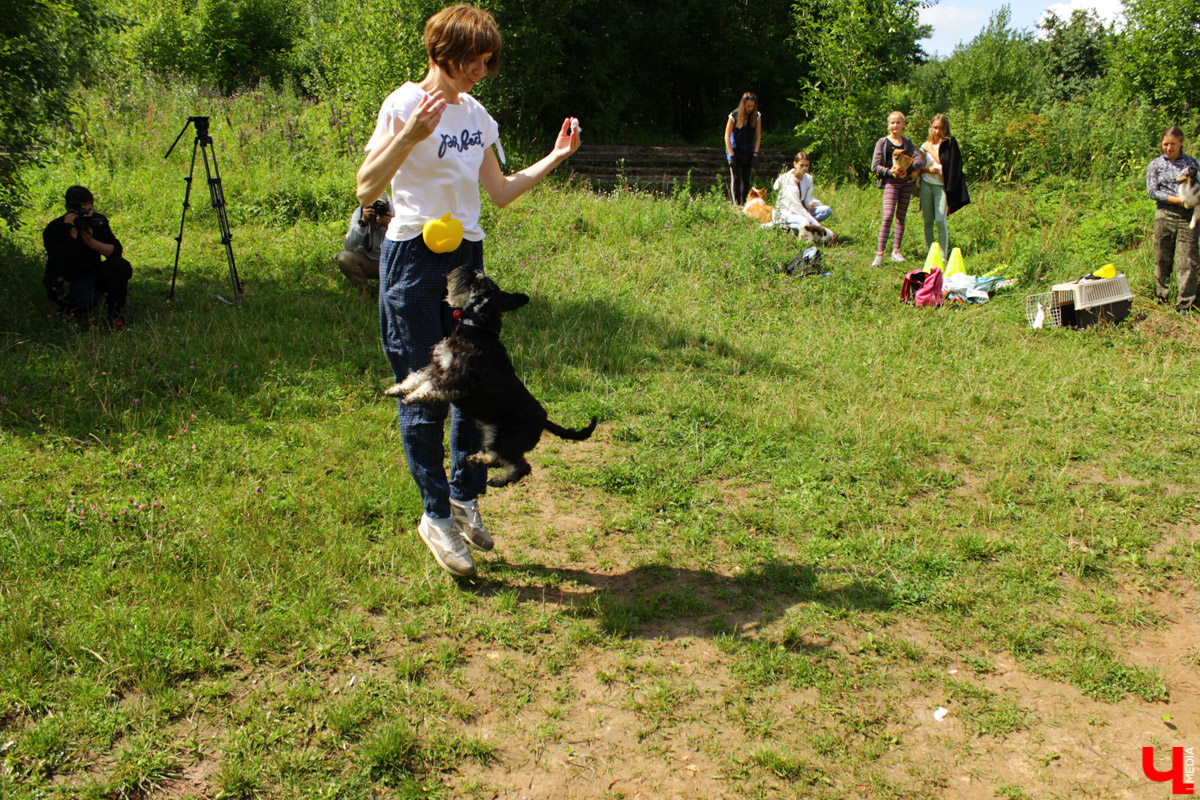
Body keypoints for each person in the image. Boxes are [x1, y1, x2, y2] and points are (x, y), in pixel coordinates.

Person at [355, 3, 581, 578]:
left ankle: (463, 496)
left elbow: (500, 192)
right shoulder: (405, 104)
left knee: (471, 388)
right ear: (444, 52)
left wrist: (556, 156)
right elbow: (365, 187)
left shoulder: (477, 114)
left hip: (465, 261)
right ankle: (434, 515)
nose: (482, 70)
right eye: (475, 61)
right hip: (412, 259)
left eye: (488, 62)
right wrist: (409, 137)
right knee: (426, 396)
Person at [42, 185, 131, 326]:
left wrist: (90, 241)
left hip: (92, 272)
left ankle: (115, 311)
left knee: (120, 265)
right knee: (82, 305)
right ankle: (71, 307)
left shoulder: (97, 222)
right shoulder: (54, 230)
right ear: (67, 209)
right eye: (79, 212)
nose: (85, 215)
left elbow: (115, 251)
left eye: (88, 210)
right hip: (68, 278)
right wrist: (71, 235)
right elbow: (62, 265)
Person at [1146, 125, 1198, 313]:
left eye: (1172, 144)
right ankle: (1162, 296)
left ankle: (1186, 304)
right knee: (1162, 258)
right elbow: (1153, 192)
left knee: (1187, 261)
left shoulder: (1192, 164)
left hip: (1187, 218)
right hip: (1164, 215)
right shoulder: (1155, 165)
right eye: (1165, 144)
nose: (1168, 148)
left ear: (1181, 142)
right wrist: (1178, 200)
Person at [869, 111, 924, 267]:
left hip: (906, 183)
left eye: (898, 123)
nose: (895, 126)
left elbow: (919, 158)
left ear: (903, 124)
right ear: (888, 125)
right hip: (890, 183)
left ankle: (896, 251)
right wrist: (891, 173)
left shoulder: (908, 143)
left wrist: (909, 167)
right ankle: (880, 254)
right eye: (892, 123)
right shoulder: (883, 142)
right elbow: (875, 166)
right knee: (887, 216)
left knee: (901, 216)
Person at [917, 114, 969, 254]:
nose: (937, 131)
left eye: (941, 128)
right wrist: (927, 169)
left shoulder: (950, 143)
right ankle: (930, 253)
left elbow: (950, 166)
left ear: (945, 129)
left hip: (942, 187)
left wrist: (932, 152)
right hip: (926, 185)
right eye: (935, 127)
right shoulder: (924, 146)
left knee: (940, 220)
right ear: (930, 127)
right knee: (928, 221)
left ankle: (943, 254)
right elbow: (917, 167)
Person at [336, 196, 394, 299]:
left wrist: (391, 226)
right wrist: (362, 223)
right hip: (368, 260)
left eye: (380, 206)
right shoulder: (359, 212)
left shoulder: (398, 213)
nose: (377, 210)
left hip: (391, 262)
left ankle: (391, 292)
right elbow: (348, 246)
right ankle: (364, 290)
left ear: (388, 204)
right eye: (373, 206)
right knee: (344, 258)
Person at [771, 151, 835, 236]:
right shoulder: (788, 180)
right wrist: (818, 225)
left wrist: (811, 203)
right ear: (795, 164)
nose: (804, 168)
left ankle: (807, 228)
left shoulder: (808, 179)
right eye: (801, 165)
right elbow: (797, 207)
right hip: (788, 212)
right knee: (804, 221)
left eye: (806, 165)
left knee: (826, 210)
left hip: (804, 210)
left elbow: (808, 198)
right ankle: (789, 227)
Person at [724, 92, 762, 206]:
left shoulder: (757, 116)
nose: (750, 108)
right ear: (743, 104)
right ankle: (737, 205)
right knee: (736, 179)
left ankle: (745, 203)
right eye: (748, 106)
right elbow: (727, 136)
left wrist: (755, 153)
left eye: (752, 106)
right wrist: (731, 155)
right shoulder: (734, 115)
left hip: (748, 151)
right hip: (735, 150)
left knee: (747, 178)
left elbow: (758, 135)